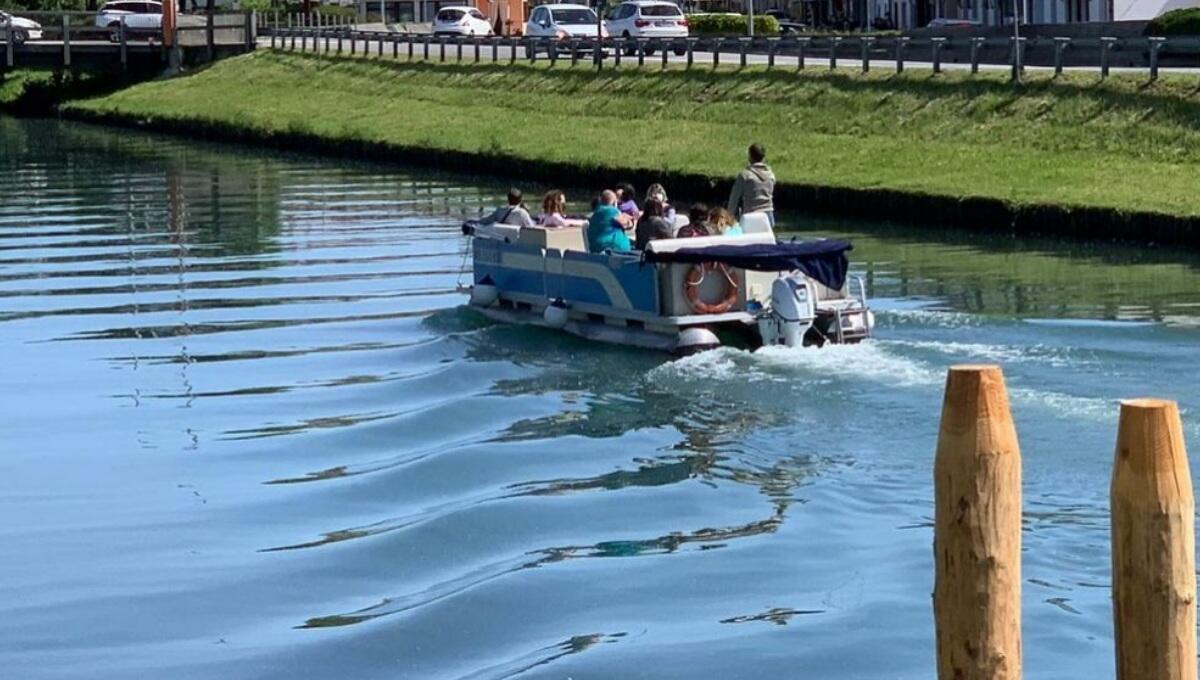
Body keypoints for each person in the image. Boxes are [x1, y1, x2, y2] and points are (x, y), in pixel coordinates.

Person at [726, 143, 777, 227]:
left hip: (750, 216)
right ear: (763, 158)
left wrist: (728, 218)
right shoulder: (771, 175)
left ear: (750, 157)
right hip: (768, 217)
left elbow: (733, 199)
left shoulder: (745, 175)